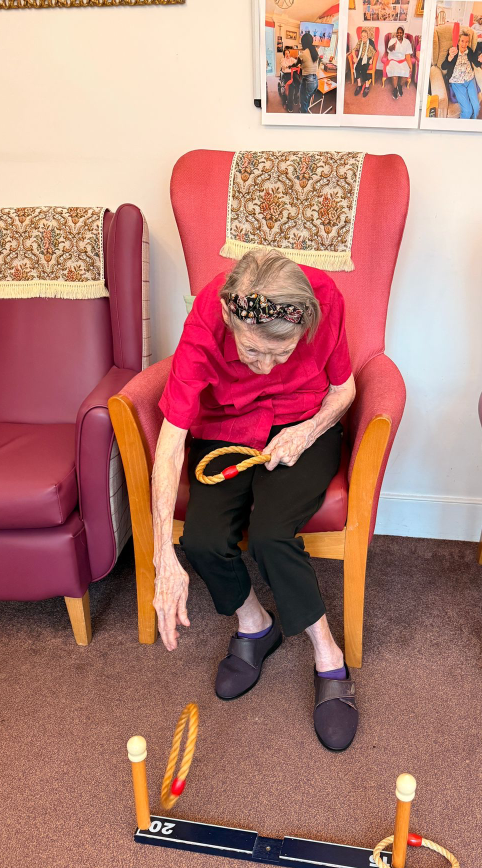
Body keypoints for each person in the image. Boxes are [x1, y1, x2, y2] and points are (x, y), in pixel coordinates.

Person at [152, 250, 358, 752]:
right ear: (229, 317)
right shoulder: (207, 318)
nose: (264, 367)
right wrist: (162, 555)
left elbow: (345, 389)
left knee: (270, 534)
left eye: (279, 355)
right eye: (251, 352)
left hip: (305, 425)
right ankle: (255, 625)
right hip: (226, 428)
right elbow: (171, 441)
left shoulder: (325, 299)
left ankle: (328, 654)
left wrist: (307, 431)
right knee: (201, 541)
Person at [443, 27, 482, 119]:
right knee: (467, 111)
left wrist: (480, 59)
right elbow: (443, 67)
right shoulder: (453, 51)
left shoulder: (469, 50)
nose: (464, 44)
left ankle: (471, 123)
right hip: (457, 82)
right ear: (458, 42)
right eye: (462, 41)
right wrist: (450, 57)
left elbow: (477, 63)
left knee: (476, 107)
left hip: (470, 79)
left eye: (467, 42)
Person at [385, 26, 414, 99]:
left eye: (400, 33)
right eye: (397, 33)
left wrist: (410, 65)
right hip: (393, 60)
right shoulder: (392, 40)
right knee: (394, 75)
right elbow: (389, 50)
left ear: (403, 34)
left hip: (402, 60)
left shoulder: (407, 42)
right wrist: (392, 47)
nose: (399, 34)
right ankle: (395, 89)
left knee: (406, 73)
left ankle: (399, 86)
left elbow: (407, 55)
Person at [351, 26, 377, 97]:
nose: (363, 37)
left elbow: (374, 52)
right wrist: (355, 57)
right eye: (362, 36)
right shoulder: (360, 41)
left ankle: (367, 86)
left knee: (363, 70)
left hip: (367, 58)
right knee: (356, 68)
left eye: (365, 36)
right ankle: (359, 85)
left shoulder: (371, 42)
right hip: (361, 57)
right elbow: (353, 50)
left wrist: (371, 59)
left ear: (367, 36)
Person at [298, 32, 321, 113]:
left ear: (303, 42)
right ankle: (304, 109)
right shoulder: (315, 52)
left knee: (304, 100)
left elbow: (298, 64)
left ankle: (304, 114)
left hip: (308, 81)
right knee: (306, 99)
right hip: (315, 81)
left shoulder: (303, 53)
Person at [279, 47, 301, 111]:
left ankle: (295, 99)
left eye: (288, 53)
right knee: (291, 86)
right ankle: (290, 105)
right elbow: (283, 66)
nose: (287, 55)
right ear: (284, 55)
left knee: (298, 83)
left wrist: (297, 65)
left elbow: (297, 63)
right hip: (287, 74)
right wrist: (290, 66)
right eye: (286, 54)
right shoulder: (283, 60)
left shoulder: (292, 59)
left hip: (293, 73)